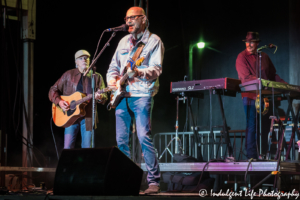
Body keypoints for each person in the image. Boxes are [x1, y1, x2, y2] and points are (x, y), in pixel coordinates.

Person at [106, 7, 164, 194]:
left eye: (133, 18)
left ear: (144, 19)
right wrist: (113, 81)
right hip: (122, 95)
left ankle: (153, 181)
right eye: (127, 18)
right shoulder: (123, 41)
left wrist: (138, 71)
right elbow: (112, 68)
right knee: (121, 140)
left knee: (143, 137)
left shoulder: (153, 41)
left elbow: (156, 69)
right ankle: (126, 180)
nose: (129, 21)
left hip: (142, 94)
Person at [236, 32, 286, 159]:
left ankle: (264, 154)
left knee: (264, 126)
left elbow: (273, 75)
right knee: (252, 125)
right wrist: (262, 83)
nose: (249, 44)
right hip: (250, 96)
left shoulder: (263, 56)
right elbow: (245, 77)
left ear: (257, 43)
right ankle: (252, 155)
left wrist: (284, 85)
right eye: (247, 42)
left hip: (265, 96)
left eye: (252, 42)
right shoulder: (241, 57)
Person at [49, 50, 107, 149]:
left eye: (86, 58)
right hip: (70, 116)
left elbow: (104, 97)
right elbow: (53, 90)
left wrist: (100, 97)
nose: (84, 60)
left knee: (88, 148)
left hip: (88, 117)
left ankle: (86, 165)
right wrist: (60, 102)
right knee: (68, 148)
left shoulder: (96, 77)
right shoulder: (68, 75)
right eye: (81, 58)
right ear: (76, 61)